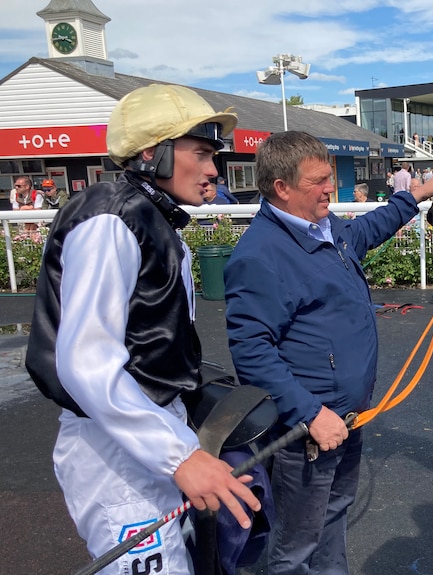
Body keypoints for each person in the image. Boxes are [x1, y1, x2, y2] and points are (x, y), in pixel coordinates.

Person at [25, 84, 261, 575]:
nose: (214, 170)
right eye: (201, 153)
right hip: (114, 449)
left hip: (145, 434)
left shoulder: (150, 218)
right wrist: (179, 456)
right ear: (154, 154)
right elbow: (85, 362)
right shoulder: (112, 218)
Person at [223, 131, 433, 575]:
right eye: (319, 180)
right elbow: (251, 352)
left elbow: (368, 229)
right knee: (296, 545)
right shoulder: (261, 254)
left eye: (330, 177)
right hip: (309, 428)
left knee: (333, 516)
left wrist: (414, 197)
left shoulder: (327, 228)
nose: (331, 187)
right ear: (282, 188)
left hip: (346, 417)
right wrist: (310, 413)